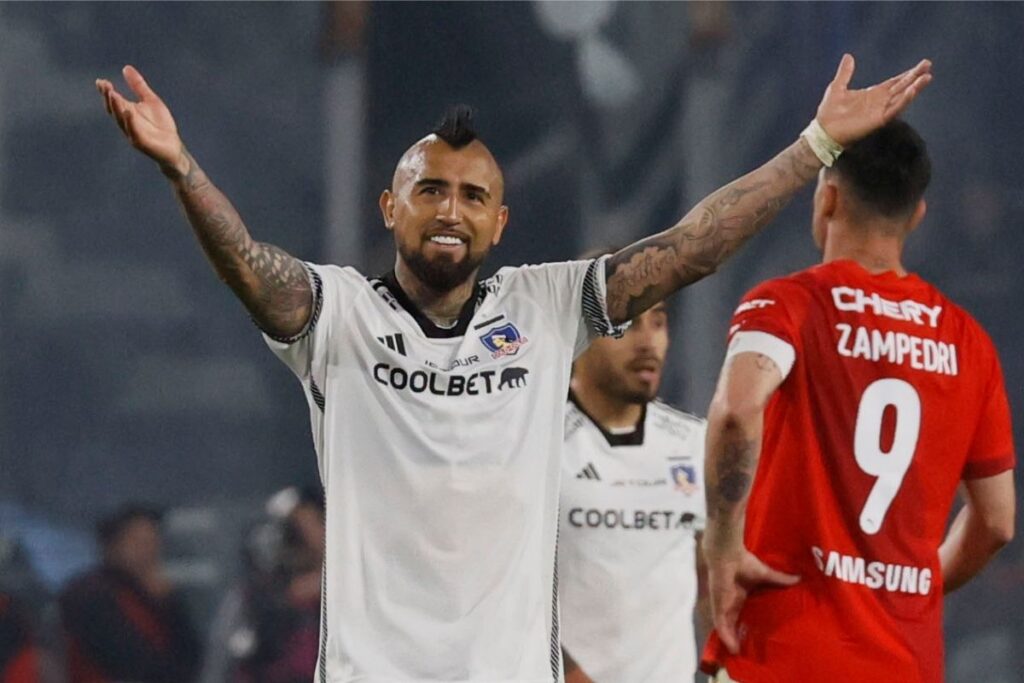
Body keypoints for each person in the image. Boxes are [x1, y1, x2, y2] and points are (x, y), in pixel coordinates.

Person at [95, 54, 931, 682]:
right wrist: (182, 168)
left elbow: (690, 248)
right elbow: (247, 264)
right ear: (392, 207)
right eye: (430, 190)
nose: (450, 209)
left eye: (470, 195)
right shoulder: (339, 316)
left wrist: (815, 143)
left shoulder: (544, 305)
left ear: (500, 221)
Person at [700, 119, 1016, 682]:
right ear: (916, 216)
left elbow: (734, 411)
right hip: (902, 661)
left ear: (827, 197)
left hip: (783, 652)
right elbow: (996, 521)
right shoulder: (969, 343)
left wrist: (722, 548)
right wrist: (911, 585)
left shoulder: (786, 305)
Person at [556, 275, 709, 683]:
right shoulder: (535, 443)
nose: (647, 343)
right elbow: (500, 590)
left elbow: (711, 573)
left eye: (657, 322)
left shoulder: (696, 443)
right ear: (578, 335)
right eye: (626, 326)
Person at [59, 504, 200, 683]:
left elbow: (191, 655)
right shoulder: (90, 595)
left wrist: (171, 605)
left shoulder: (154, 595)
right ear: (113, 546)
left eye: (153, 540)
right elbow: (131, 660)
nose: (149, 550)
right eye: (138, 542)